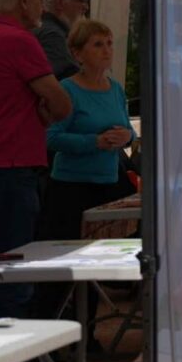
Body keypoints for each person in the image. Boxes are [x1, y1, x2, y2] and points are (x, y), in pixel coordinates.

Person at [0, 0, 71, 321]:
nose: (42, 5)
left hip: (12, 164)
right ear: (24, 1)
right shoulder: (20, 41)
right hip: (12, 168)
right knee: (13, 269)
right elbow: (61, 103)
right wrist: (42, 116)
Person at [42, 20, 134, 238]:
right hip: (72, 188)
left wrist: (127, 136)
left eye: (110, 43)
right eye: (98, 44)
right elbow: (51, 137)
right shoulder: (67, 89)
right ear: (78, 54)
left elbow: (130, 131)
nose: (107, 50)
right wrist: (95, 142)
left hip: (110, 184)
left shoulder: (116, 89)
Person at [34, 0, 92, 79]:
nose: (86, 7)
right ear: (60, 2)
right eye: (81, 1)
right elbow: (69, 80)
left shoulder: (42, 28)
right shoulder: (52, 35)